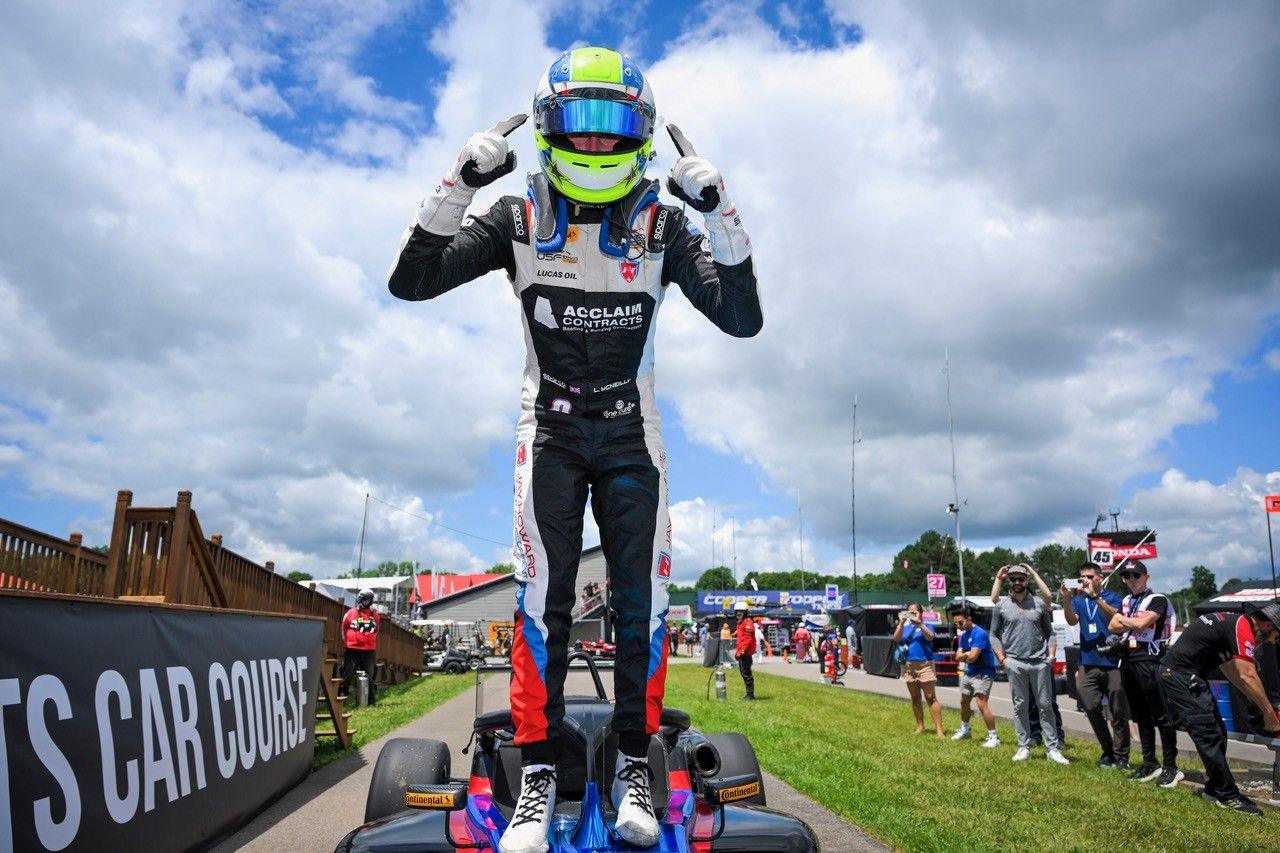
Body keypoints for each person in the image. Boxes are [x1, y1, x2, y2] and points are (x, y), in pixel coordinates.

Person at [389, 46, 761, 853]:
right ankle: (538, 781)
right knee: (541, 605)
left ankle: (634, 764)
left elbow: (742, 318)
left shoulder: (662, 226)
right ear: (551, 130)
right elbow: (410, 281)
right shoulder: (518, 215)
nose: (595, 147)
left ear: (642, 137)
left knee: (644, 608)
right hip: (549, 432)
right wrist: (460, 179)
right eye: (580, 130)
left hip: (634, 433)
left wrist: (719, 209)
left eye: (613, 130)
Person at [1158, 602, 1280, 815]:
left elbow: (1230, 671)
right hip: (1180, 675)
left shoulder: (1231, 624)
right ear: (1269, 625)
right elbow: (1247, 675)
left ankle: (1214, 789)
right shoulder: (1242, 626)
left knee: (1218, 733)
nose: (1274, 642)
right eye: (1277, 637)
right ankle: (1228, 796)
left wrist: (1255, 702)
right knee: (1208, 734)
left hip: (1185, 674)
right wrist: (1270, 714)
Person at [1108, 560, 1181, 787]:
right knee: (1140, 715)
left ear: (1146, 577)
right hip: (1128, 660)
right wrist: (1130, 622)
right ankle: (1150, 762)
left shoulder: (1157, 599)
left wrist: (1126, 621)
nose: (1131, 580)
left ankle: (1171, 766)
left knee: (1161, 715)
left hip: (1150, 660)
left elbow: (1143, 624)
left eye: (1135, 576)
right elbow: (1112, 626)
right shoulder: (1127, 600)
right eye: (1127, 576)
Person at [990, 564, 1068, 764]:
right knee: (1020, 706)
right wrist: (1003, 659)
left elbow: (1049, 632)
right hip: (1014, 662)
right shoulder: (1002, 606)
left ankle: (1053, 748)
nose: (1018, 582)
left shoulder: (1039, 604)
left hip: (1039, 662)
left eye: (1021, 578)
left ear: (1027, 580)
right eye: (1014, 579)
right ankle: (1023, 746)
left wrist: (1050, 656)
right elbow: (994, 634)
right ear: (1009, 581)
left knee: (1045, 705)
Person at [1060, 562, 1129, 769]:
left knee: (1118, 712)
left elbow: (1117, 617)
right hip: (1088, 662)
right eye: (1082, 578)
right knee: (1090, 706)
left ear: (1100, 577)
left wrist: (1095, 597)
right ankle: (1107, 751)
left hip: (1112, 662)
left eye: (1090, 577)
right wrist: (1066, 599)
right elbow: (1072, 621)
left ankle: (1121, 756)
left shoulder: (1114, 597)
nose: (1086, 581)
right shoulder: (1079, 600)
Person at [893, 603, 945, 738]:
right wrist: (901, 623)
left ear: (921, 613)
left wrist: (919, 624)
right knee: (915, 698)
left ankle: (939, 730)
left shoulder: (926, 625)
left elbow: (930, 637)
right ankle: (920, 726)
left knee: (930, 697)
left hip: (924, 664)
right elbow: (896, 639)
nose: (911, 614)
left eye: (914, 612)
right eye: (909, 612)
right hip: (908, 665)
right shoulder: (905, 627)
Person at [951, 606, 1001, 747]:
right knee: (964, 701)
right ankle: (965, 729)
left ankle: (993, 738)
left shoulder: (979, 633)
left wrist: (965, 655)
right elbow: (957, 656)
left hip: (984, 673)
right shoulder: (964, 636)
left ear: (969, 619)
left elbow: (972, 657)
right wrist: (966, 655)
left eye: (960, 623)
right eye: (956, 624)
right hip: (970, 672)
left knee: (981, 704)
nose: (958, 626)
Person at [341, 589, 380, 705]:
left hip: (369, 650)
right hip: (352, 649)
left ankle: (371, 700)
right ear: (359, 598)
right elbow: (343, 628)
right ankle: (342, 698)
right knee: (347, 673)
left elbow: (377, 630)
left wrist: (369, 641)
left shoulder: (375, 615)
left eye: (368, 599)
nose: (365, 601)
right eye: (364, 598)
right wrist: (346, 642)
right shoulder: (350, 613)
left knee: (370, 674)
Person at [734, 601, 757, 700]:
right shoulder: (741, 622)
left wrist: (742, 651)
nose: (738, 613)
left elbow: (748, 638)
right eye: (737, 611)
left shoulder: (748, 622)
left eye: (740, 611)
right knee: (744, 673)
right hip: (742, 651)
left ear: (745, 612)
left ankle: (750, 695)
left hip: (746, 653)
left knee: (747, 674)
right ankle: (748, 694)